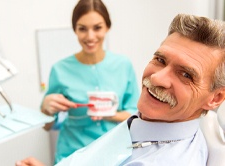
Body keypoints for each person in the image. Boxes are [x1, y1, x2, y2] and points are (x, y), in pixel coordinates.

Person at [16, 13, 225, 166]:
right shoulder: (148, 121)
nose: (156, 77)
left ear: (215, 98)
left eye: (186, 74)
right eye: (160, 59)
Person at [38, 0, 139, 164]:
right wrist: (46, 110)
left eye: (97, 28)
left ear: (107, 27)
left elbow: (136, 116)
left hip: (115, 154)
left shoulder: (123, 65)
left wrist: (110, 114)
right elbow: (47, 126)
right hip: (72, 155)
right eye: (82, 29)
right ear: (75, 30)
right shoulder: (60, 69)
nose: (90, 36)